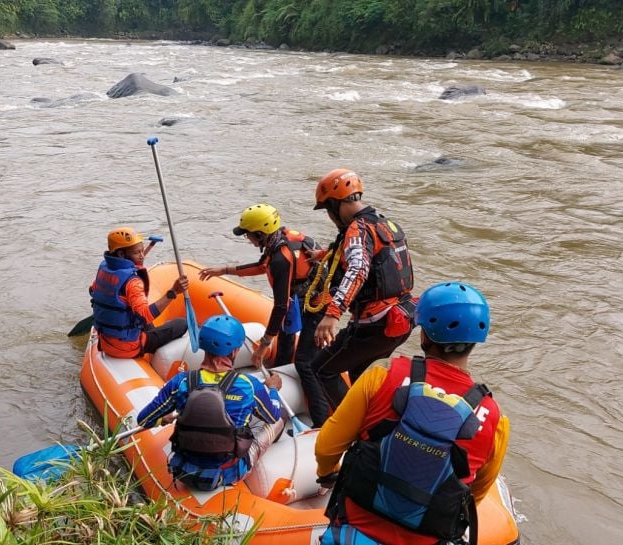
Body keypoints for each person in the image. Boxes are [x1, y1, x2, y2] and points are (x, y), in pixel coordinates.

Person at [313, 282, 509, 545]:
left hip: (354, 530)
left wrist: (326, 473)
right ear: (475, 341)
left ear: (425, 335)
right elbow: (474, 493)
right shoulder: (495, 419)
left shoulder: (381, 375)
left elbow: (326, 447)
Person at [199, 203, 331, 426]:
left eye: (249, 235)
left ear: (260, 234)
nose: (248, 239)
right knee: (286, 338)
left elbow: (280, 306)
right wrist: (224, 270)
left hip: (315, 306)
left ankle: (321, 421)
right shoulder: (279, 240)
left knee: (305, 363)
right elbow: (262, 266)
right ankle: (279, 372)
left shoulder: (281, 258)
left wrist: (263, 345)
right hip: (301, 300)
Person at [306, 168, 416, 410]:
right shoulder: (384, 222)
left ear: (336, 204)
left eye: (328, 210)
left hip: (373, 324)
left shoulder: (357, 228)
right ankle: (371, 416)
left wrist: (332, 314)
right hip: (401, 319)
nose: (329, 217)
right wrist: (322, 255)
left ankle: (352, 428)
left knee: (321, 369)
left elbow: (357, 268)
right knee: (356, 373)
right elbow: (375, 256)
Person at [136, 314, 285, 491]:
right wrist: (273, 390)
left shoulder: (181, 382)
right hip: (228, 473)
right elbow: (272, 416)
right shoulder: (249, 386)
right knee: (279, 418)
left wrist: (164, 419)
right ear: (235, 351)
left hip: (184, 470)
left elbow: (144, 420)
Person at [90, 226, 189, 359]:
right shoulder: (133, 283)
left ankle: (154, 333)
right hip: (128, 347)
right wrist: (173, 292)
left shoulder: (104, 269)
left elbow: (93, 290)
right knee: (181, 323)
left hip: (106, 342)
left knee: (140, 318)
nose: (142, 256)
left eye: (143, 251)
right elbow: (145, 316)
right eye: (137, 253)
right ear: (121, 254)